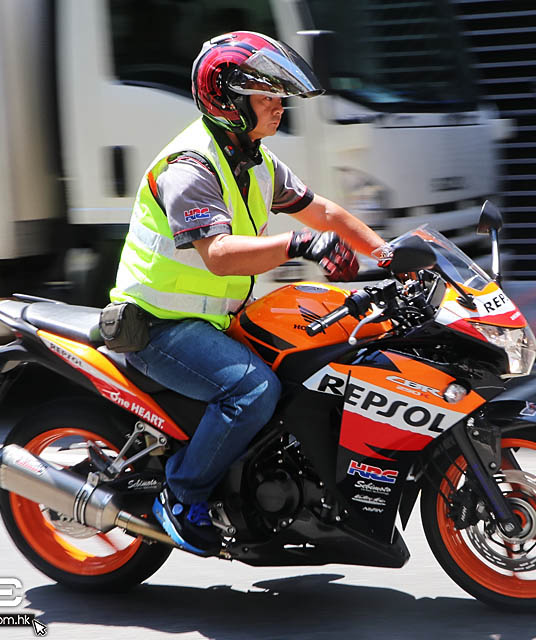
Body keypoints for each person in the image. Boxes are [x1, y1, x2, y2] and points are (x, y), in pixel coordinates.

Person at [109, 31, 384, 554]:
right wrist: (300, 244)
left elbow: (322, 211)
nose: (278, 107)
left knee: (317, 359)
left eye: (279, 97)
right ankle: (183, 493)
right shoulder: (190, 167)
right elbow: (218, 254)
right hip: (157, 324)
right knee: (252, 391)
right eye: (266, 97)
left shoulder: (255, 161)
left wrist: (388, 255)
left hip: (215, 318)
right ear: (228, 100)